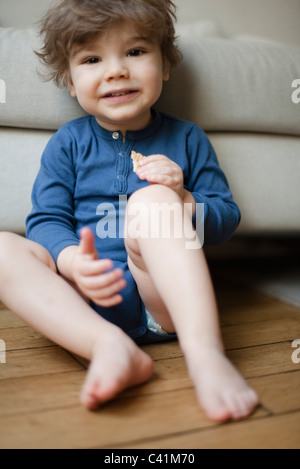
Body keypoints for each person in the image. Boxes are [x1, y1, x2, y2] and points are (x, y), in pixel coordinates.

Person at [0, 0, 258, 422]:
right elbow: (45, 221)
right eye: (92, 59)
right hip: (85, 305)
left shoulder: (187, 138)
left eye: (135, 52)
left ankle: (206, 355)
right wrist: (69, 261)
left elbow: (226, 216)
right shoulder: (68, 143)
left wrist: (183, 197)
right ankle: (108, 346)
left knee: (153, 199)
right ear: (69, 80)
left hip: (162, 305)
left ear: (166, 65)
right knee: (3, 248)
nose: (116, 69)